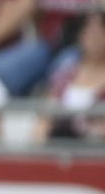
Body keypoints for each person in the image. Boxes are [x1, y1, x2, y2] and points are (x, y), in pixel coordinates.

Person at [43, 12, 105, 141]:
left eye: (100, 30)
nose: (94, 36)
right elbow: (44, 118)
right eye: (89, 30)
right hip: (59, 145)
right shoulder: (65, 74)